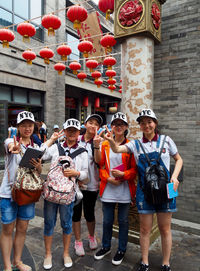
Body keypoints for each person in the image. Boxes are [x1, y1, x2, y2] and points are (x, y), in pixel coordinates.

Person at [104, 109, 183, 271]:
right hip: (144, 190)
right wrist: (110, 141)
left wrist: (175, 177)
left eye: (149, 122)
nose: (146, 125)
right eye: (142, 122)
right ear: (139, 126)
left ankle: (166, 262)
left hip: (168, 188)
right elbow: (118, 150)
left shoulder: (167, 140)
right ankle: (145, 261)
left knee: (165, 228)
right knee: (144, 229)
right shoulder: (135, 144)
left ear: (155, 123)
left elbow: (179, 159)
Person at [41, 118, 88, 269]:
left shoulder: (82, 152)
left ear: (79, 132)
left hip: (68, 194)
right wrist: (51, 140)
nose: (72, 133)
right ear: (65, 131)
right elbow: (39, 155)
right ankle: (48, 254)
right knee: (49, 223)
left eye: (75, 130)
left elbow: (86, 174)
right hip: (52, 193)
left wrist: (76, 173)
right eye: (69, 130)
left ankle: (66, 253)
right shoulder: (55, 148)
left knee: (67, 224)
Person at [0, 111, 42, 271]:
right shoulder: (10, 140)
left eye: (30, 125)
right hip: (8, 193)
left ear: (34, 127)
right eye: (23, 125)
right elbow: (10, 147)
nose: (27, 128)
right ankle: (7, 266)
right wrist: (13, 148)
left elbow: (36, 172)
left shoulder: (36, 147)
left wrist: (38, 167)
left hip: (27, 193)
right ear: (18, 126)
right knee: (8, 229)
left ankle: (17, 261)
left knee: (23, 228)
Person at [94, 112, 137, 265]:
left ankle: (121, 249)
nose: (118, 127)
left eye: (122, 124)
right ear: (111, 126)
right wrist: (109, 179)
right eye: (116, 124)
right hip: (109, 187)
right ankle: (105, 246)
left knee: (123, 221)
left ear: (126, 127)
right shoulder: (105, 144)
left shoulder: (130, 145)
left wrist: (124, 175)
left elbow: (134, 170)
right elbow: (101, 165)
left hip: (125, 188)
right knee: (107, 220)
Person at [72, 114, 103, 256]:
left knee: (90, 212)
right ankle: (78, 241)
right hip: (75, 183)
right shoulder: (76, 139)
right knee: (76, 213)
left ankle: (91, 236)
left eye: (96, 124)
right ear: (85, 124)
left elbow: (99, 162)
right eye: (90, 122)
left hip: (91, 184)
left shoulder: (100, 142)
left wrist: (96, 146)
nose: (93, 125)